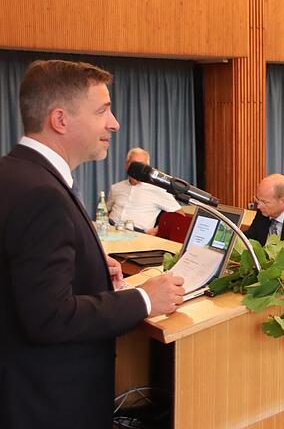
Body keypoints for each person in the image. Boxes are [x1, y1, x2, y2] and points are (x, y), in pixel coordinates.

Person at [0, 59, 184, 428]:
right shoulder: (41, 193)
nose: (113, 123)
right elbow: (49, 318)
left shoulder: (15, 173)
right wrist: (145, 298)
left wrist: (92, 272)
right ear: (61, 120)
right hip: (48, 404)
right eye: (102, 110)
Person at [107, 147, 182, 234]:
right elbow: (107, 209)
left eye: (141, 165)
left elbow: (179, 214)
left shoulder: (158, 190)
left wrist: (158, 230)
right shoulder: (116, 187)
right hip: (111, 230)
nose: (137, 169)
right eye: (134, 164)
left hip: (138, 236)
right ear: (126, 165)